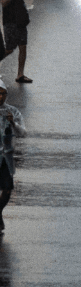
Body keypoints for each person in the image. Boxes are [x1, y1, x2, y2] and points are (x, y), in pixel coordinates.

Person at [0, 86, 25, 231]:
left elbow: (23, 132)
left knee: (7, 189)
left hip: (5, 156)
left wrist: (13, 123)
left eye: (3, 93)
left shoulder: (12, 111)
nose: (1, 97)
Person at [1, 0, 30, 83]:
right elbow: (3, 3)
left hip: (20, 20)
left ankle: (20, 74)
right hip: (10, 21)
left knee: (23, 46)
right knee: (9, 49)